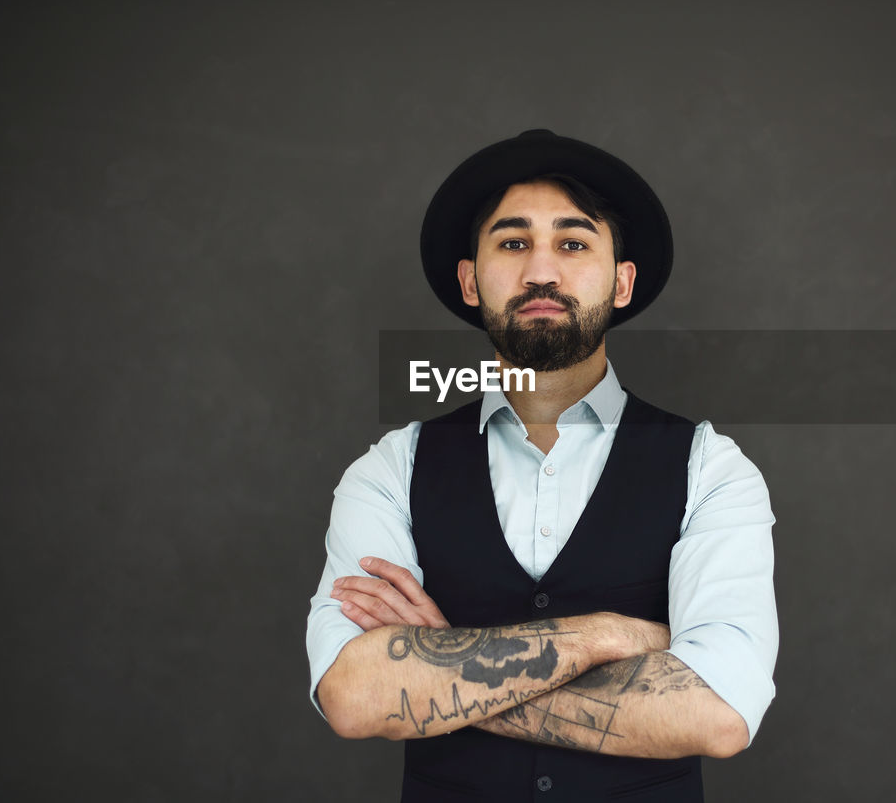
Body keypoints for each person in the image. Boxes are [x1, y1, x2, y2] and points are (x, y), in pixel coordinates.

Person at [306, 129, 778, 802]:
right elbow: (354, 693)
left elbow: (719, 711)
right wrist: (608, 634)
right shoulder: (391, 467)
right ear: (472, 279)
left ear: (623, 281)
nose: (542, 272)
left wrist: (446, 661)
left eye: (574, 242)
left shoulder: (710, 467)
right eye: (513, 242)